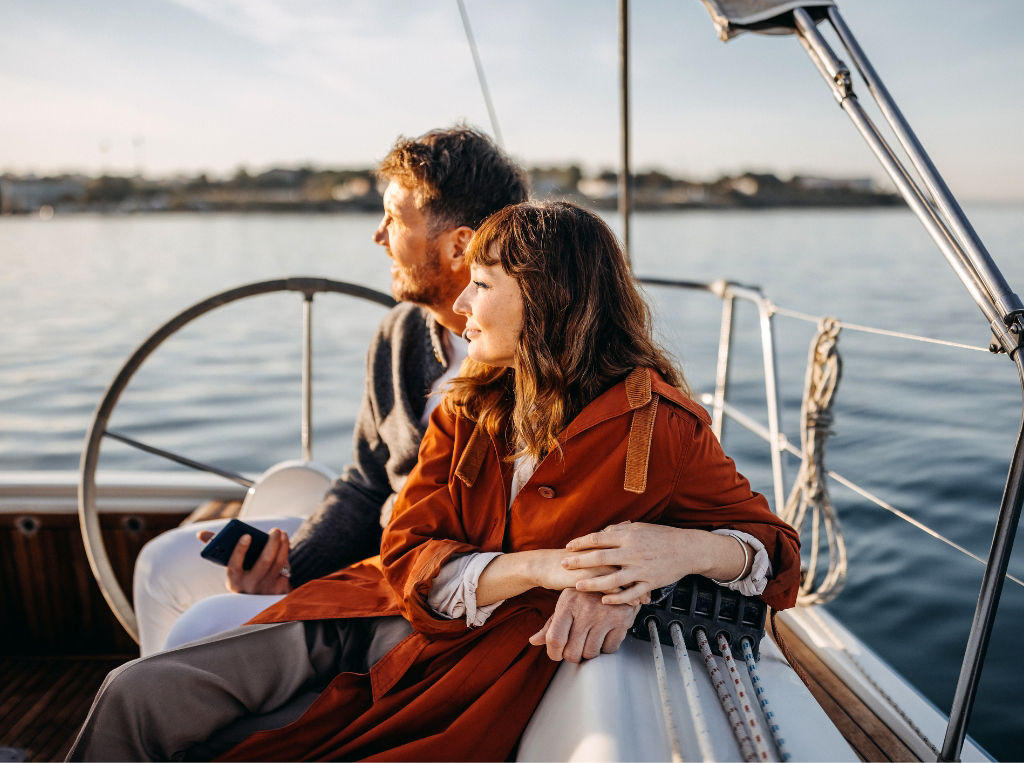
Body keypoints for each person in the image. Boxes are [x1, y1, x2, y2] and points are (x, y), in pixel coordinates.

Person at [68, 200, 800, 762]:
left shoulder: (661, 426)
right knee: (133, 691)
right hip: (362, 618)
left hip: (449, 684)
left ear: (543, 299)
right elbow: (406, 546)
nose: (460, 306)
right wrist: (542, 567)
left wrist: (681, 553)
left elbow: (774, 552)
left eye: (480, 284)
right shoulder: (469, 404)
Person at [132, 124, 530, 655]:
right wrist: (292, 568)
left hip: (434, 586)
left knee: (201, 631)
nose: (378, 235)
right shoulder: (400, 334)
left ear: (460, 245)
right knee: (159, 566)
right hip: (380, 545)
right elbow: (368, 482)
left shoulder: (542, 357)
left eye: (394, 218)